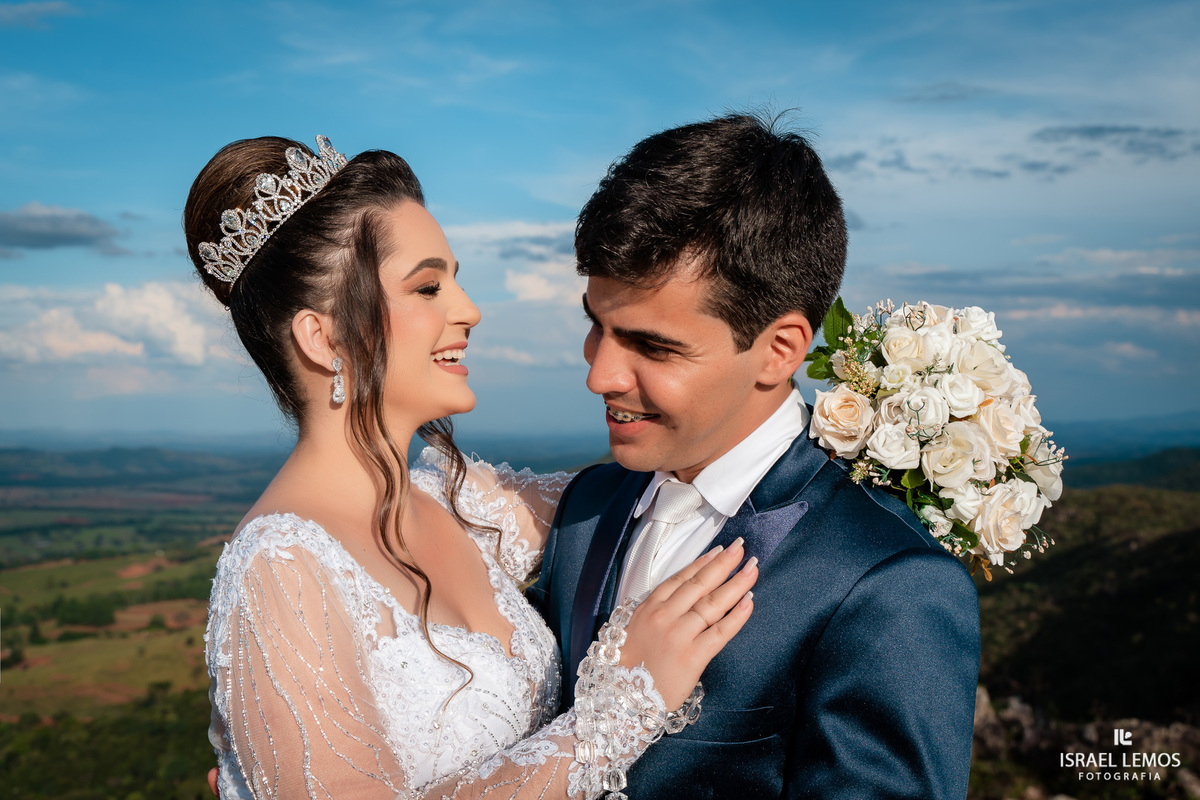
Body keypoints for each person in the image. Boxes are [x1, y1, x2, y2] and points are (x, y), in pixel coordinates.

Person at [186, 135, 758, 800]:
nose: (469, 309)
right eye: (427, 285)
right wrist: (620, 709)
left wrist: (887, 427)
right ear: (325, 337)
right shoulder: (277, 570)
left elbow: (662, 482)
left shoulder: (462, 504)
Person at [528, 113, 981, 799]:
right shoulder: (584, 507)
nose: (600, 375)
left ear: (781, 350)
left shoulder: (888, 584)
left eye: (653, 346)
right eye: (598, 326)